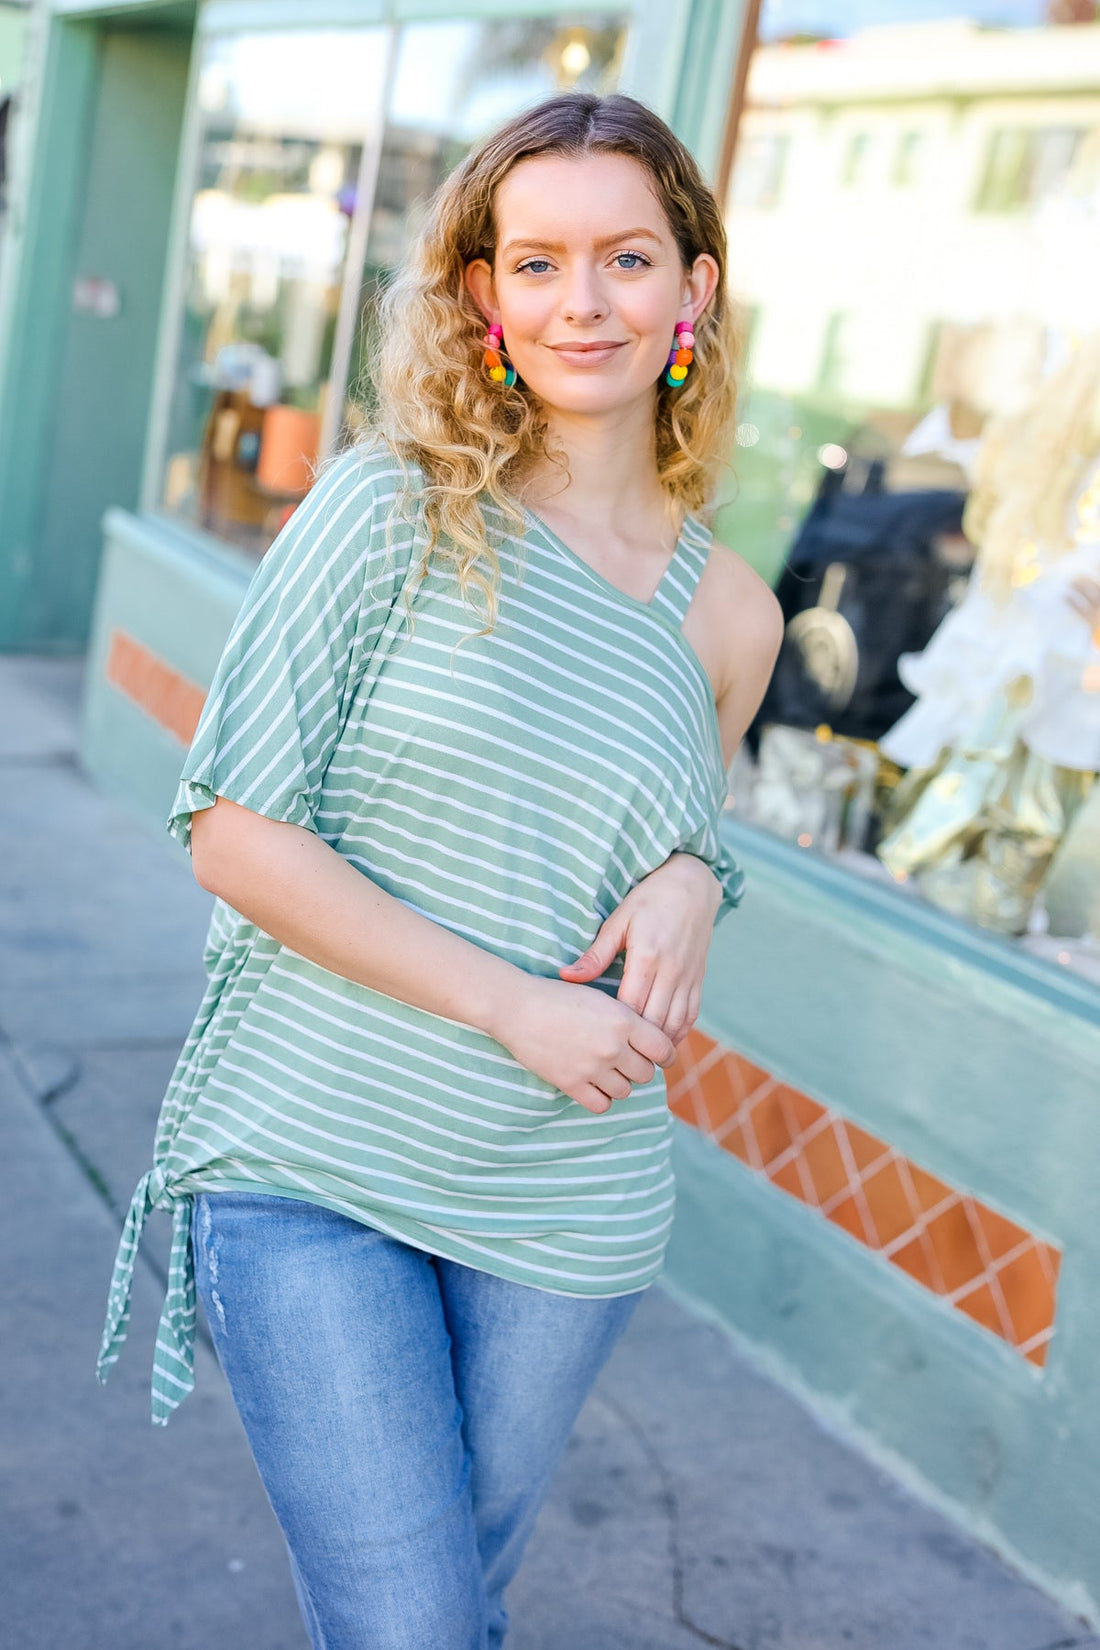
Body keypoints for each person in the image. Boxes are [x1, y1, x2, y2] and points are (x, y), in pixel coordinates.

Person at [98, 91, 782, 1650]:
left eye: (624, 257)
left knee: (427, 1613)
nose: (581, 301)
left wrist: (694, 874)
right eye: (535, 263)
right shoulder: (392, 511)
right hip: (312, 1154)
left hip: (564, 1198)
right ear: (481, 295)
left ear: (697, 289)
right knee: (412, 1625)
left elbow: (666, 831)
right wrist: (510, 1008)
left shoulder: (729, 613)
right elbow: (233, 831)